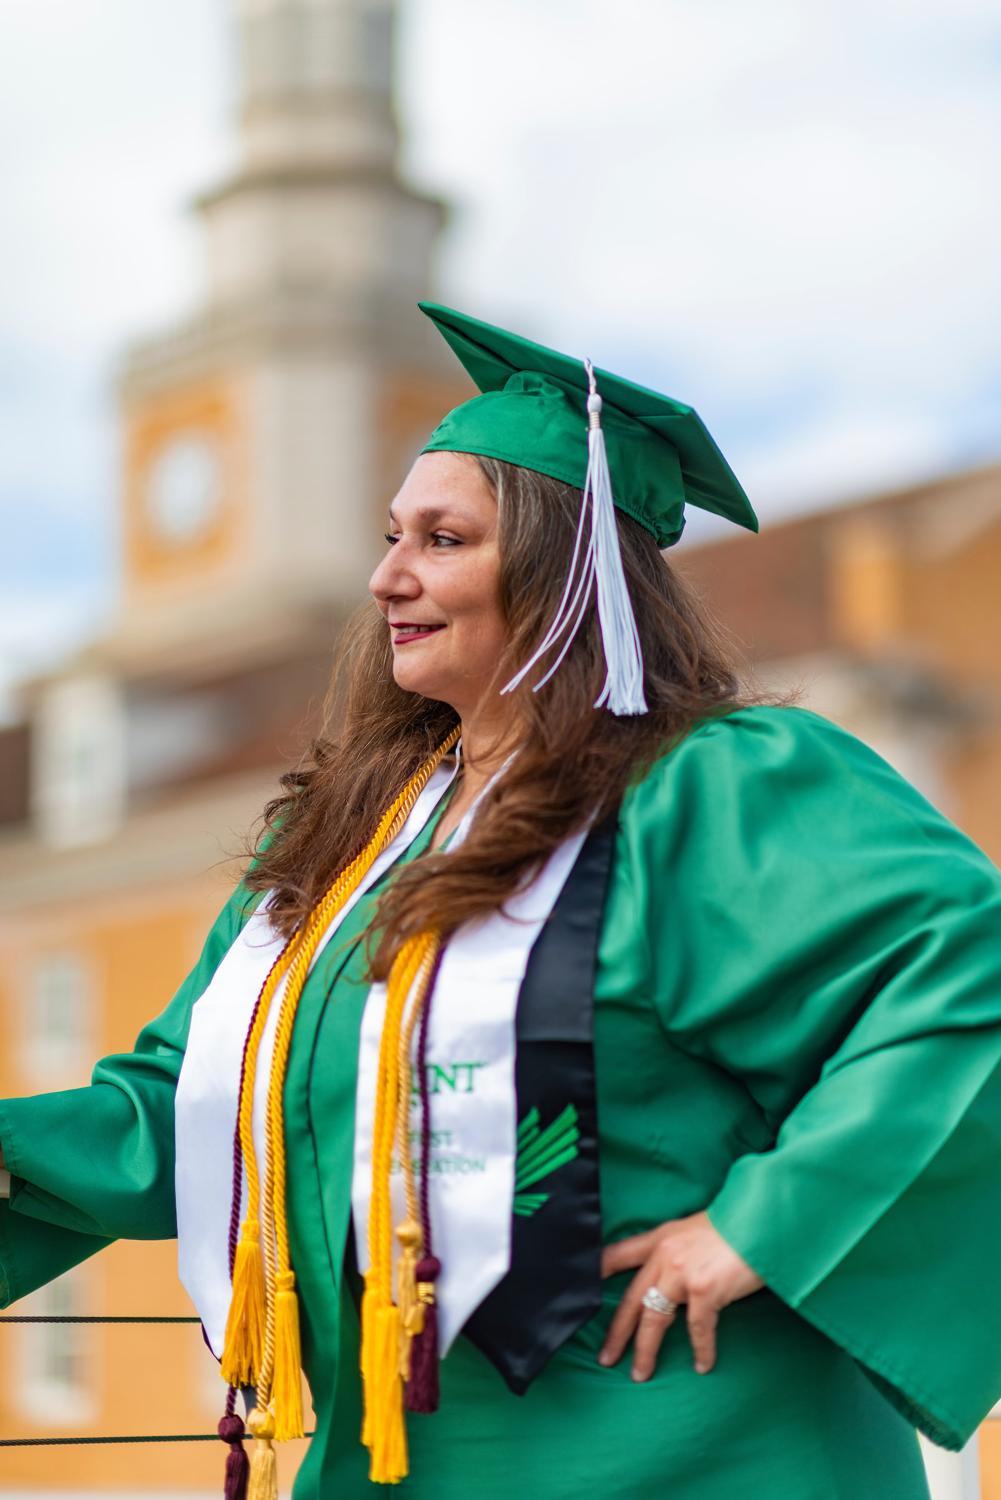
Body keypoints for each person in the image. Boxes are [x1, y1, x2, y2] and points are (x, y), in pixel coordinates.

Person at [1, 302, 1000, 1500]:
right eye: (389, 535)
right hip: (398, 1457)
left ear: (560, 569)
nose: (385, 577)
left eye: (441, 538)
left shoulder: (710, 790)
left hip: (696, 1451)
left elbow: (964, 976)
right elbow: (186, 1111)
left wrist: (763, 1226)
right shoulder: (335, 845)